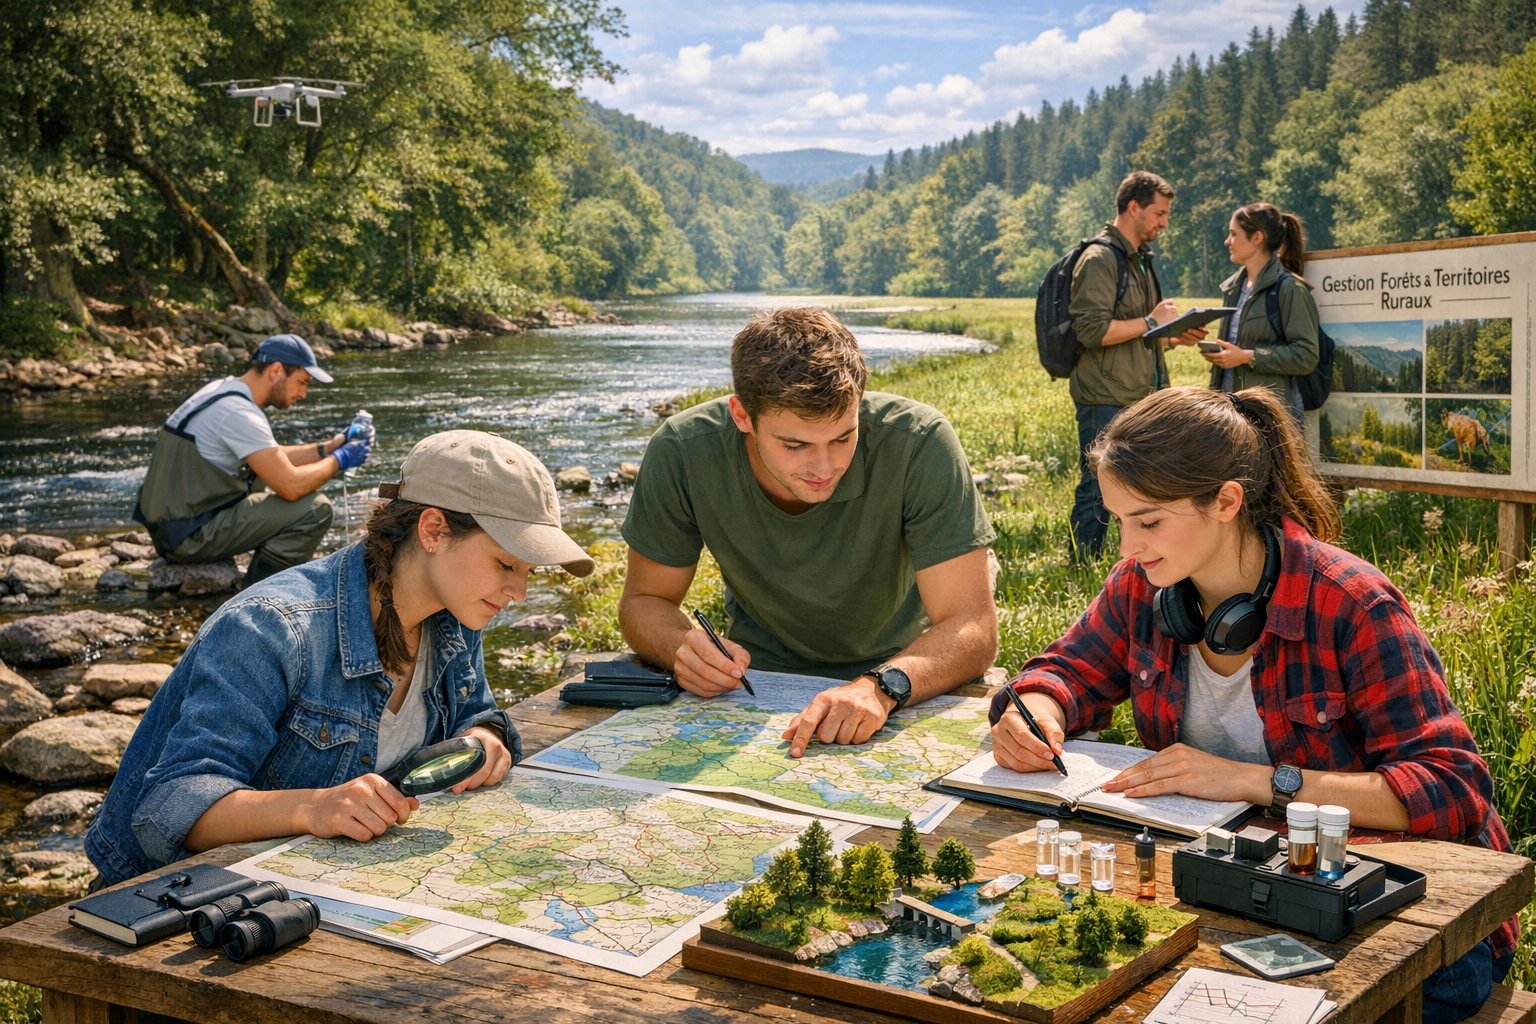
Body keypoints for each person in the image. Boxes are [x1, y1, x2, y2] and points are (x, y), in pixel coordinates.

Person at [989, 386, 1517, 1024]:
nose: (1126, 545)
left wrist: (1255, 783)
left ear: (1226, 501)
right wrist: (1039, 707)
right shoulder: (1142, 586)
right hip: (1232, 890)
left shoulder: (1351, 603)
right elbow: (1067, 670)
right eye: (1118, 518)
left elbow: (1453, 788)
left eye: (1149, 521)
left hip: (1392, 916)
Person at [88, 430, 596, 886]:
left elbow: (475, 716)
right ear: (434, 530)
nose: (519, 592)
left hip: (319, 890)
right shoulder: (271, 627)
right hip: (177, 912)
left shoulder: (458, 613)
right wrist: (316, 806)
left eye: (529, 571)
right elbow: (170, 806)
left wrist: (487, 739)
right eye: (506, 563)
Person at [619, 307, 998, 758]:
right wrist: (681, 647)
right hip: (754, 685)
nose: (824, 468)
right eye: (794, 445)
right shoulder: (682, 451)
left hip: (903, 676)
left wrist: (882, 687)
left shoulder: (920, 442)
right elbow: (645, 602)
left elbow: (972, 626)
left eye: (843, 437)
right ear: (742, 415)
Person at [133, 334, 373, 589]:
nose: (303, 393)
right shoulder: (240, 414)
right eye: (302, 382)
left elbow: (271, 457)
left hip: (173, 530)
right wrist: (340, 459)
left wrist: (331, 446)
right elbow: (291, 486)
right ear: (277, 370)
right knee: (315, 510)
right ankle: (262, 596)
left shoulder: (223, 390)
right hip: (189, 538)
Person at [1067, 171, 1206, 559]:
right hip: (1105, 396)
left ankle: (1133, 561)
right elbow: (1091, 331)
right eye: (1159, 213)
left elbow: (1139, 333)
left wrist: (1172, 335)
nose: (1164, 222)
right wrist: (1151, 322)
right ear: (1133, 207)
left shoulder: (1139, 260)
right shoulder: (1099, 259)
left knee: (1145, 484)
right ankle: (1082, 564)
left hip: (1140, 395)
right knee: (1098, 485)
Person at [1203, 202, 1320, 422]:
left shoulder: (1290, 289)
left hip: (1271, 420)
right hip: (1232, 415)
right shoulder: (1232, 288)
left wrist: (1248, 356)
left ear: (1257, 238)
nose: (1227, 241)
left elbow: (1307, 355)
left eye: (1233, 234)